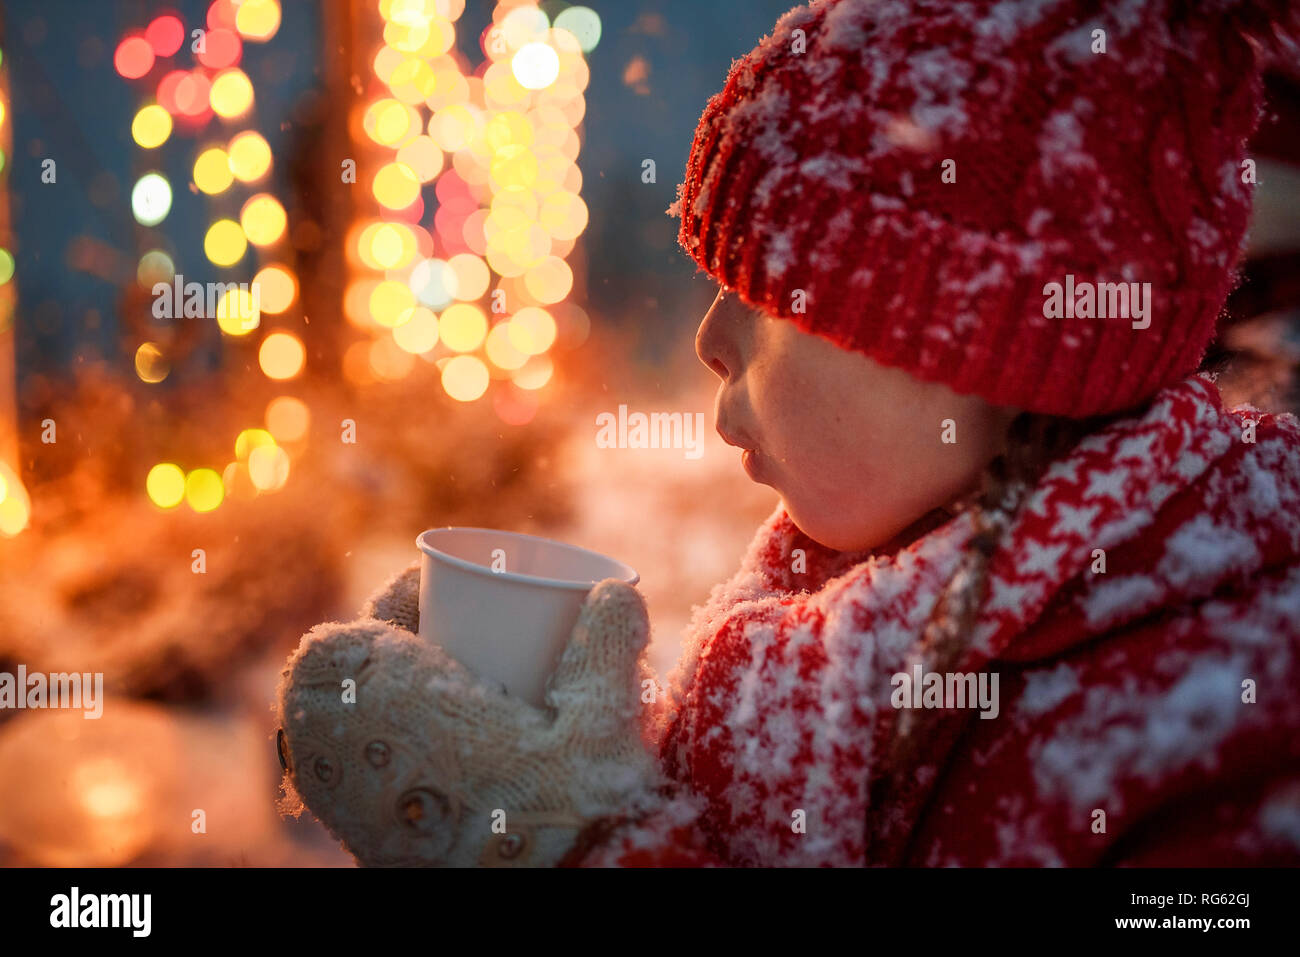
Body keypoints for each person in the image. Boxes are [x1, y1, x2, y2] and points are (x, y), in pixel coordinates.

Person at [275, 0, 1300, 866]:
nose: (708, 342)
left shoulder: (1205, 737)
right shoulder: (879, 595)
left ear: (973, 343)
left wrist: (570, 843)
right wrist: (567, 757)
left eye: (773, 295)